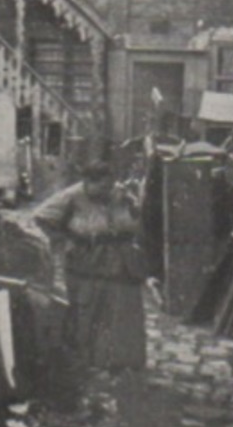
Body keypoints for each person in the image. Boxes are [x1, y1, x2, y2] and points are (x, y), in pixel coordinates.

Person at [32, 161, 148, 375]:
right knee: (85, 311)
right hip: (86, 262)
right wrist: (64, 241)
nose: (107, 191)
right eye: (103, 187)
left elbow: (136, 216)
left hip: (120, 259)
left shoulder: (119, 193)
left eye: (110, 186)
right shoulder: (71, 197)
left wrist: (131, 206)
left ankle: (120, 361)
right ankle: (84, 360)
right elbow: (40, 217)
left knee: (120, 310)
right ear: (88, 182)